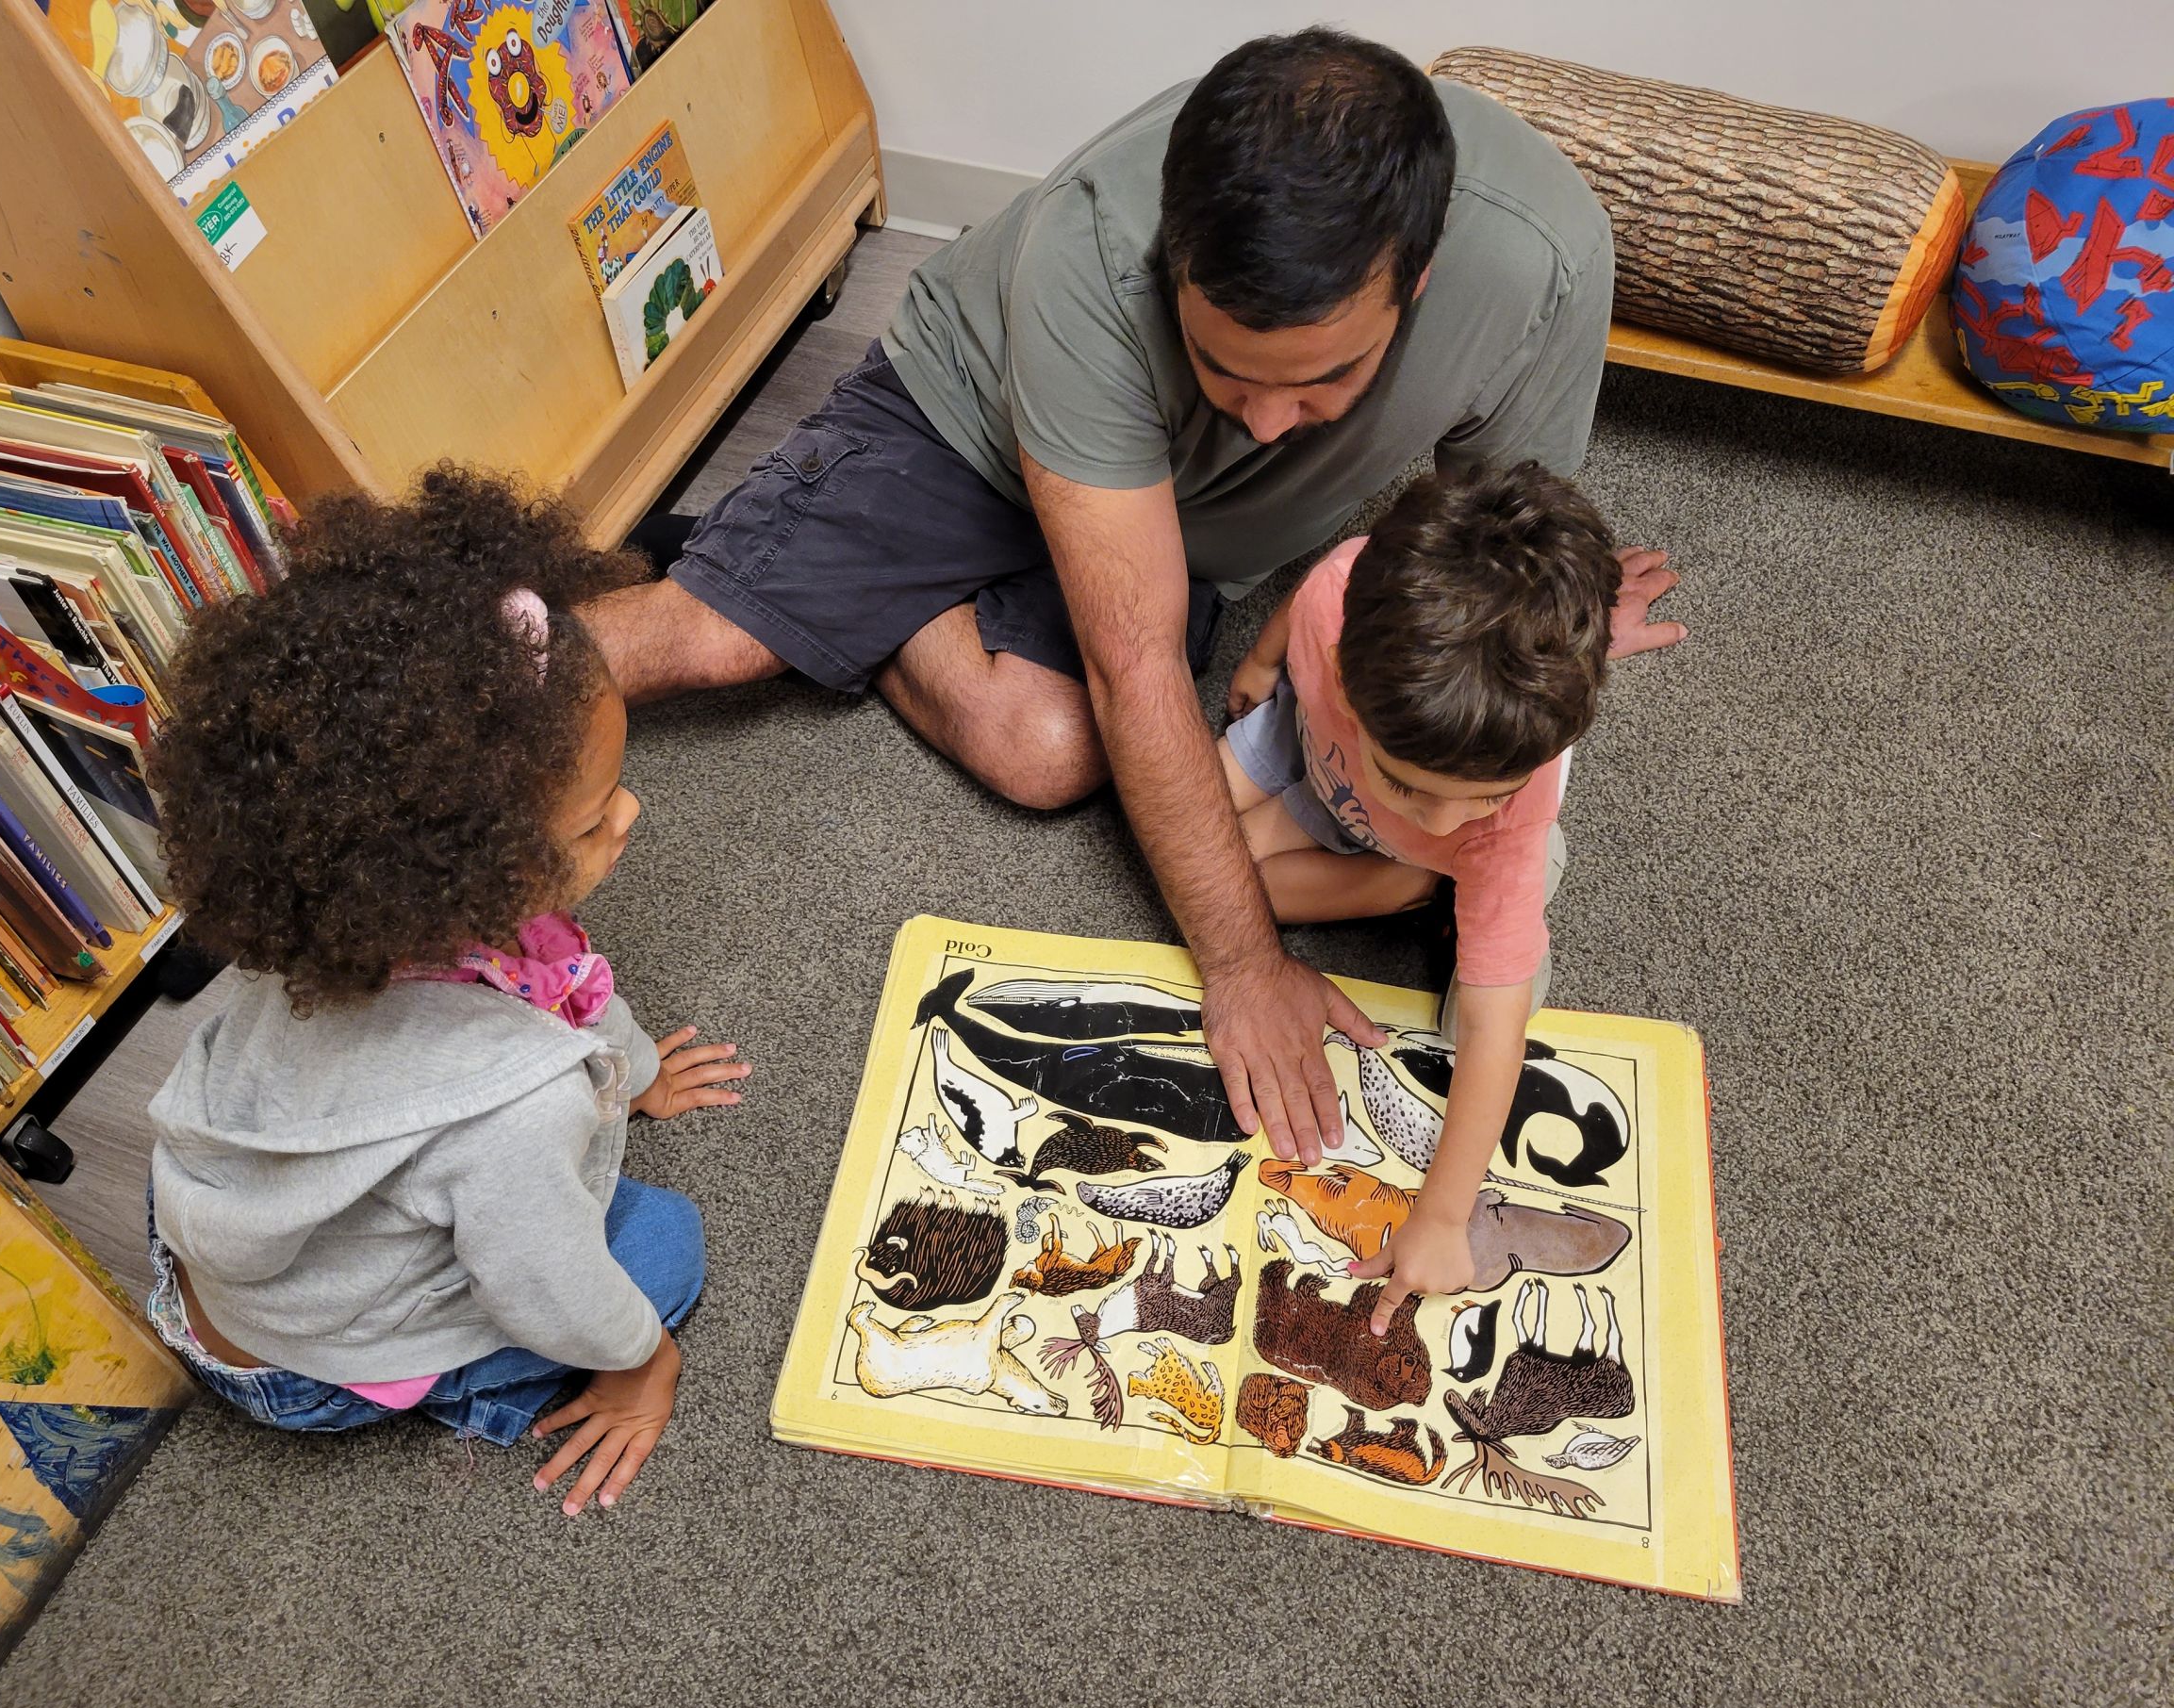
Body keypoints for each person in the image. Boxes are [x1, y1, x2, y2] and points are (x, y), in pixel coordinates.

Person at [579, 29, 1683, 1169]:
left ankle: (837, 588)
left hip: (1183, 533)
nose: (1266, 425)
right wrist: (1245, 967)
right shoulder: (1091, 248)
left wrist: (1556, 623)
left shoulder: (1544, 264)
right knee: (711, 641)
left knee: (1049, 751)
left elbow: (1485, 546)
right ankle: (684, 604)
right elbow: (1136, 662)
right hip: (965, 420)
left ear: (1419, 279)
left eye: (1325, 380)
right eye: (1224, 370)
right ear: (1174, 268)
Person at [144, 468, 749, 1518]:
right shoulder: (516, 1105)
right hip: (305, 1365)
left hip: (210, 1244)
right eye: (593, 817)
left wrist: (638, 1075)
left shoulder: (336, 913)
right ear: (467, 870)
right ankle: (457, 1396)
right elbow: (546, 1284)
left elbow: (568, 977)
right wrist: (641, 1364)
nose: (630, 816)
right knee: (662, 1247)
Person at [1219, 460, 1619, 1333]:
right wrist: (1259, 660)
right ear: (1342, 668)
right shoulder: (1333, 604)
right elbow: (1312, 593)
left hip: (1472, 856)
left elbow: (1495, 1030)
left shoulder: (1499, 825)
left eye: (1483, 794)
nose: (1445, 818)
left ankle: (1425, 882)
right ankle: (1407, 879)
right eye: (1413, 787)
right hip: (1317, 753)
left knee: (1476, 1010)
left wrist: (1441, 1216)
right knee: (1199, 861)